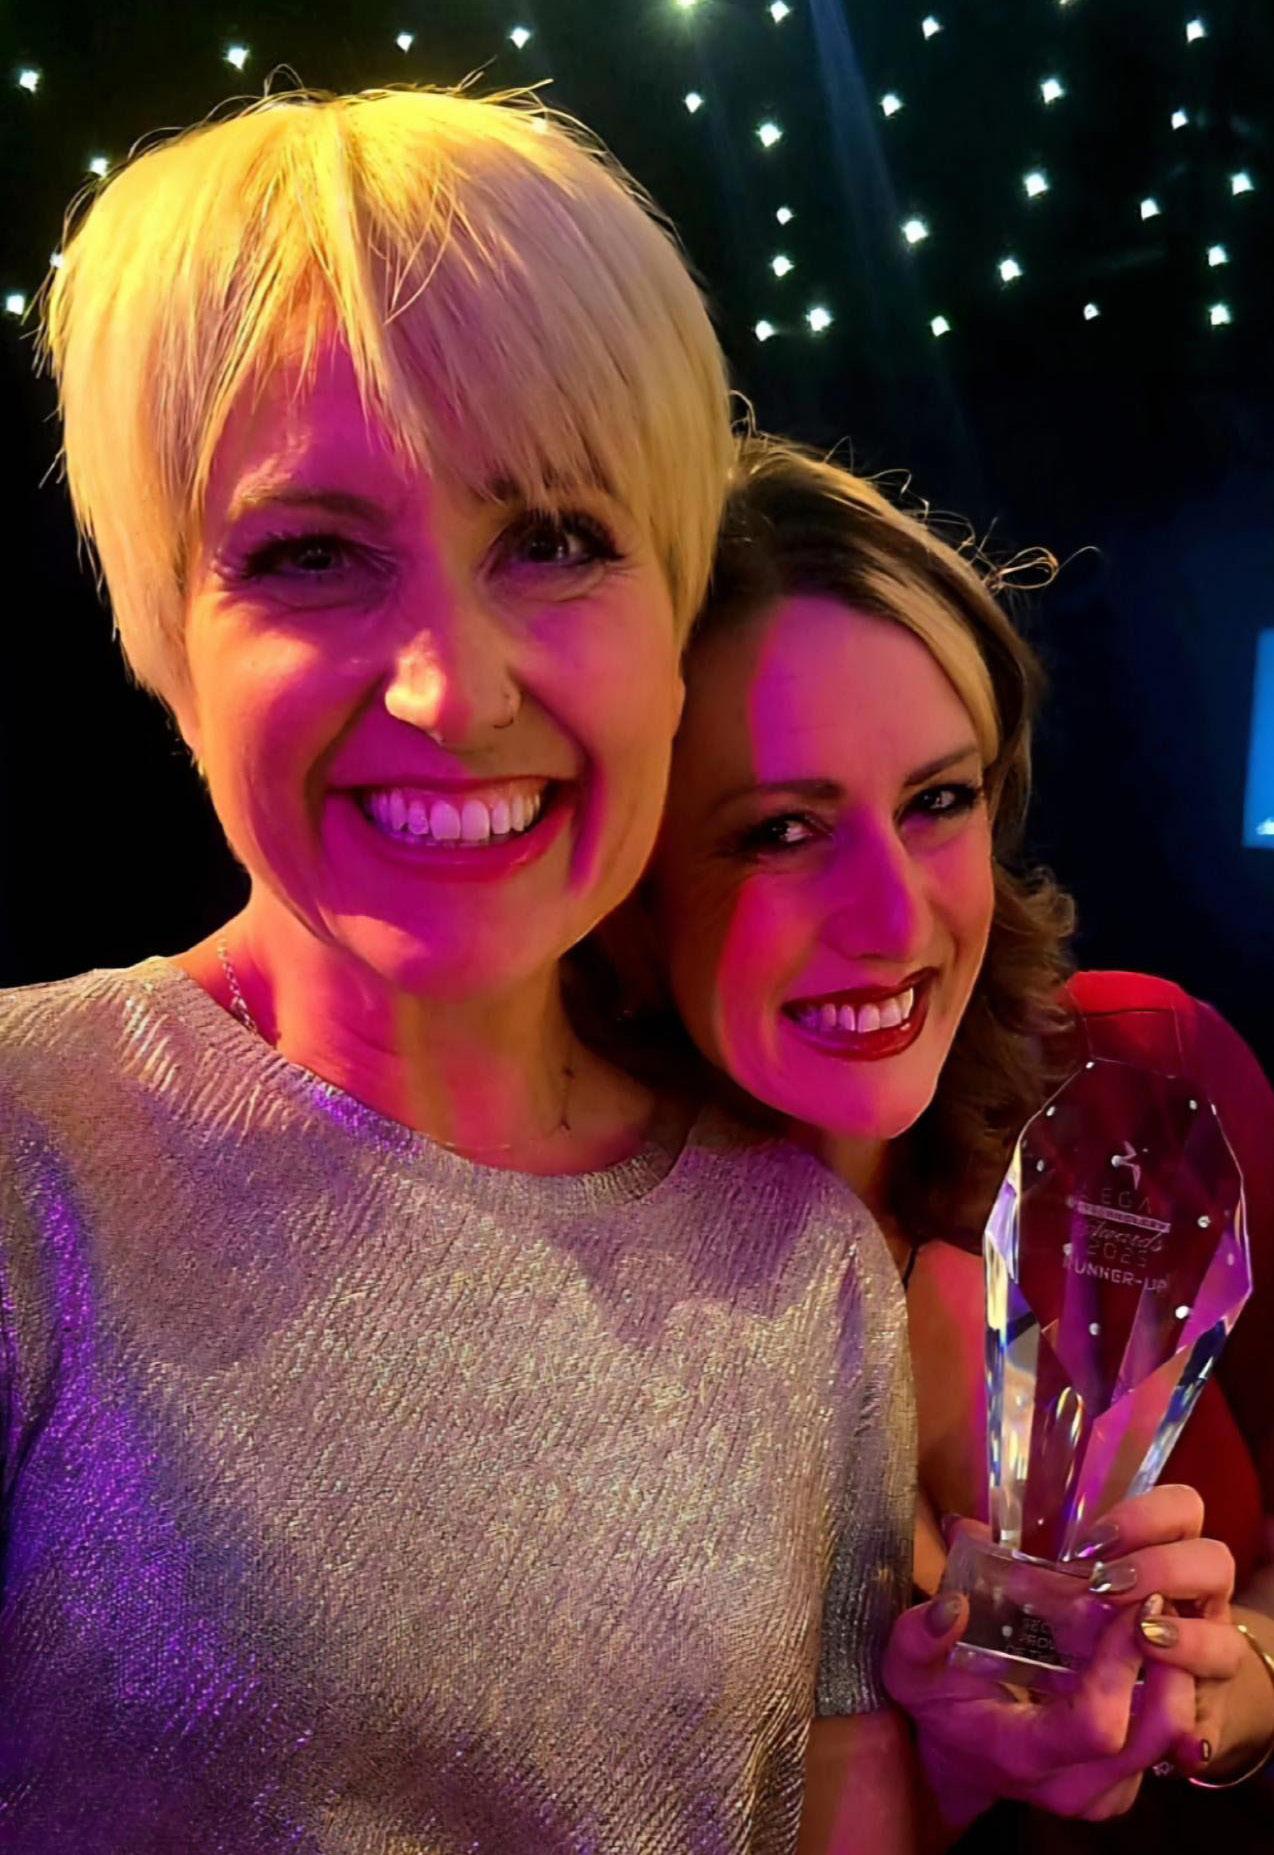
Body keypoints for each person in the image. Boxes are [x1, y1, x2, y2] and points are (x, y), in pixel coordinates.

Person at [0, 87, 930, 1852]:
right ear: (166, 634)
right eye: (308, 555)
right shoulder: (25, 1150)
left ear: (676, 623)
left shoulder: (801, 1270)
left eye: (556, 540)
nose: (451, 687)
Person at [593, 432, 1274, 1842]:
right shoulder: (574, 1280)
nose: (896, 918)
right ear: (628, 878)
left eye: (937, 801)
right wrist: (977, 1768)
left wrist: (1226, 1693)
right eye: (781, 831)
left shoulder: (1146, 1077)